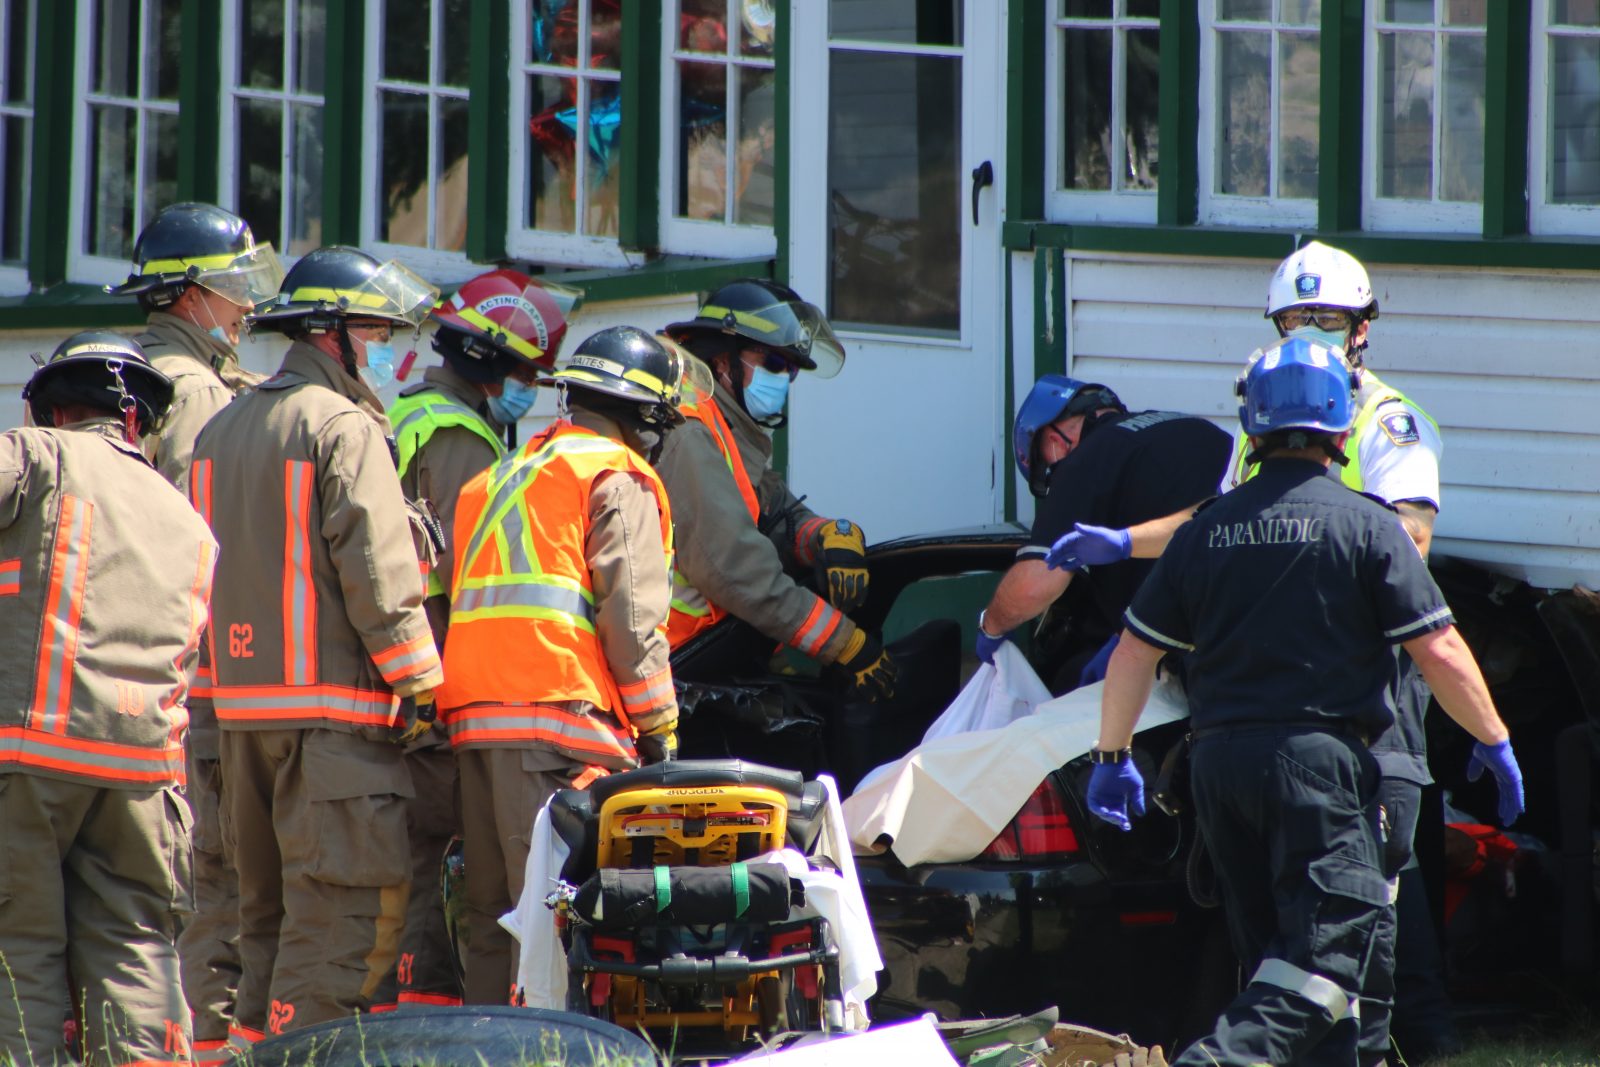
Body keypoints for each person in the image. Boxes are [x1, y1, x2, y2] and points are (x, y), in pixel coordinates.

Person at [1063, 242, 1453, 1059]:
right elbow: (1221, 514)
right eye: (1295, 318)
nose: (1311, 331)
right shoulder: (1273, 415)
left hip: (1362, 676)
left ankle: (1415, 1039)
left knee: (1377, 884)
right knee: (1280, 913)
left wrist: (1301, 543)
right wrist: (1123, 541)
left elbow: (1405, 535)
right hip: (1274, 685)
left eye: (1328, 318)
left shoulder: (1383, 419)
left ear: (1362, 330)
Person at [191, 247, 444, 1048]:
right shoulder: (343, 426)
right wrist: (421, 684)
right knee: (341, 913)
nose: (386, 348)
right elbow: (376, 566)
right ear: (332, 335)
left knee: (260, 918)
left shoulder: (220, 429)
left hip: (239, 721)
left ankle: (247, 1051)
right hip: (334, 725)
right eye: (374, 330)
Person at [437, 325, 685, 1005]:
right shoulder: (615, 473)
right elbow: (632, 620)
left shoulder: (495, 477)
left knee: (494, 922)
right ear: (642, 416)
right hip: (554, 727)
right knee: (556, 920)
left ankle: (487, 1053)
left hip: (476, 727)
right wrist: (660, 725)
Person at [1, 332, 217, 1067]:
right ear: (136, 422)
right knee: (135, 953)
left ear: (52, 408)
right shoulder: (185, 514)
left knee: (16, 946)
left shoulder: (36, 456)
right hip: (144, 776)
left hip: (26, 757)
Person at [106, 201, 283, 1061]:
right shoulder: (205, 396)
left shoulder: (125, 376)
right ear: (186, 296)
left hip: (117, 664)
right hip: (200, 677)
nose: (246, 306)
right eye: (231, 288)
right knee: (212, 879)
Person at [379, 269, 580, 1010]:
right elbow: (473, 580)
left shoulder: (411, 415)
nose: (531, 389)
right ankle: (426, 1020)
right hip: (436, 686)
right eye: (528, 373)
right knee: (436, 864)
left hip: (397, 674)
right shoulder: (462, 442)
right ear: (492, 364)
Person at [658, 279, 894, 700]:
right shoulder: (688, 433)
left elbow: (772, 506)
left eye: (790, 370)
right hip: (669, 665)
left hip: (705, 659)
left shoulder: (725, 426)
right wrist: (846, 644)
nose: (783, 380)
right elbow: (738, 571)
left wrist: (823, 534)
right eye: (772, 363)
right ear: (722, 361)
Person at [975, 375, 1231, 690]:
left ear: (1053, 439)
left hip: (1190, 657)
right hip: (1253, 622)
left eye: (1046, 462)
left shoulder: (1084, 461)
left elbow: (1037, 581)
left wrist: (992, 626)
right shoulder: (1197, 428)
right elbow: (1196, 522)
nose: (1055, 469)